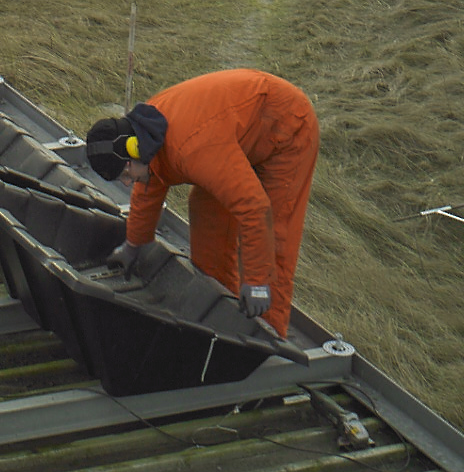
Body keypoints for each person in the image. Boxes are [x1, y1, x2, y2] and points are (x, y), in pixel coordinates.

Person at [85, 68, 320, 336]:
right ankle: (222, 311)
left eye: (126, 175)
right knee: (207, 215)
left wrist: (256, 282)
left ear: (133, 151)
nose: (127, 184)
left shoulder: (192, 148)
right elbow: (150, 187)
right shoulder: (149, 133)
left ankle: (268, 336)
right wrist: (133, 244)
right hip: (233, 131)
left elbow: (254, 208)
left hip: (286, 125)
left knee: (274, 236)